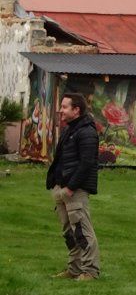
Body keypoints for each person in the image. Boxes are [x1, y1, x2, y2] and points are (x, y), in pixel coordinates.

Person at [45, 92, 101, 280]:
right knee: (69, 232)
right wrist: (55, 183)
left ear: (76, 110)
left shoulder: (87, 132)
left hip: (74, 190)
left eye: (65, 106)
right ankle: (74, 269)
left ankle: (90, 271)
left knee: (82, 230)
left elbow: (87, 163)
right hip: (62, 188)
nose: (61, 110)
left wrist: (71, 187)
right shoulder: (70, 129)